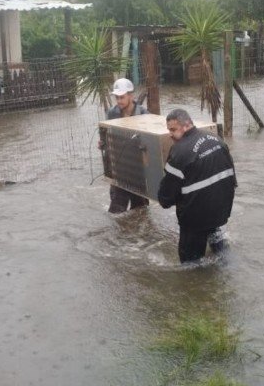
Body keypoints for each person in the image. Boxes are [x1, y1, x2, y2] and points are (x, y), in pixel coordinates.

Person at [157, 109, 237, 263]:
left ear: (186, 126)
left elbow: (165, 198)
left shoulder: (179, 152)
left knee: (191, 267)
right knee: (222, 255)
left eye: (173, 129)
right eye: (168, 130)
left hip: (194, 220)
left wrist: (163, 197)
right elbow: (231, 178)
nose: (170, 134)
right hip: (220, 212)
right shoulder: (217, 140)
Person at [101, 78, 150, 213]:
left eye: (122, 97)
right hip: (120, 167)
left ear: (131, 96)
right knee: (116, 210)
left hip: (137, 169)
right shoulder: (112, 113)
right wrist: (103, 144)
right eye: (117, 97)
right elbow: (106, 134)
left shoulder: (144, 114)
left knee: (141, 210)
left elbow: (150, 143)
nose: (119, 101)